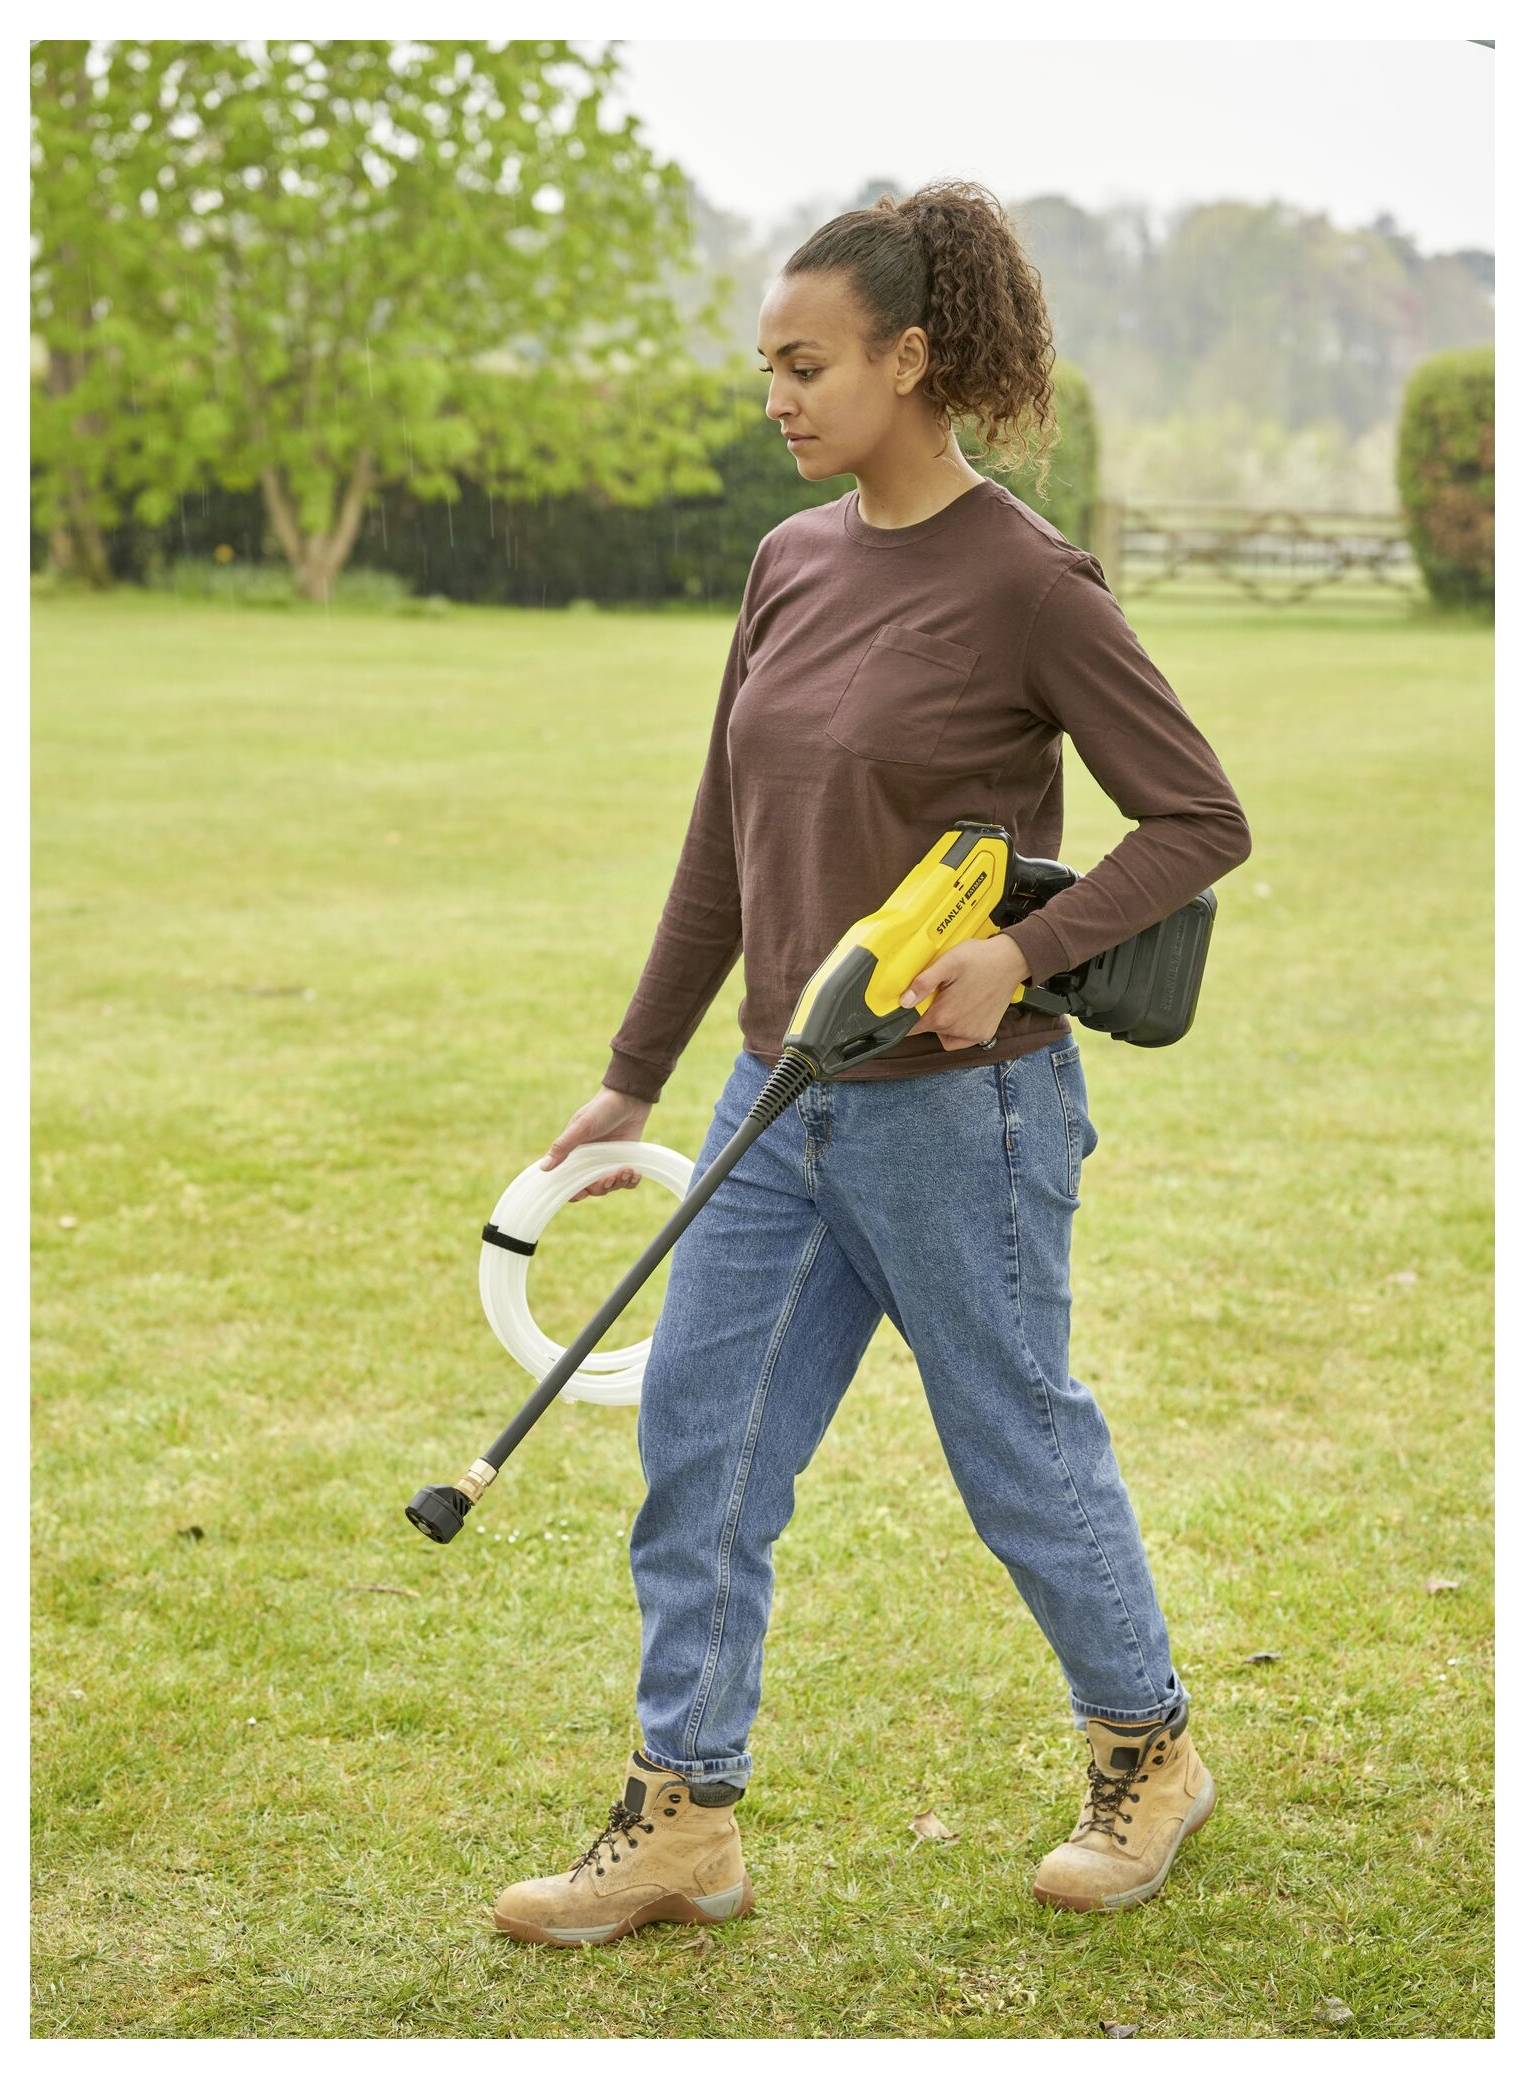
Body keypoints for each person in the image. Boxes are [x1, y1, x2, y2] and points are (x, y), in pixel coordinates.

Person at [491, 179, 1250, 1948]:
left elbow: (1198, 817)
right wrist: (632, 1076)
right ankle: (686, 1819)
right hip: (775, 1102)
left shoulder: (1029, 582)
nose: (777, 394)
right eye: (767, 363)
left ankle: (1149, 1753)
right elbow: (721, 834)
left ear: (913, 361)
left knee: (1014, 1447)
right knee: (703, 1447)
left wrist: (1020, 954)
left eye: (807, 362)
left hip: (962, 1119)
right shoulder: (789, 558)